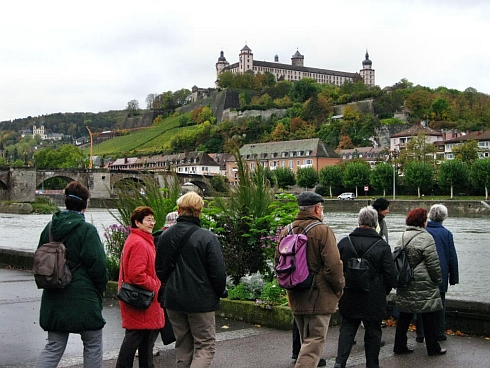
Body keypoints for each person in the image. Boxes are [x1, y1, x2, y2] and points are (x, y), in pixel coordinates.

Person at [35, 181, 109, 368]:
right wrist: (100, 290)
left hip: (54, 294)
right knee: (92, 344)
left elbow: (41, 259)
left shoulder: (50, 228)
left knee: (53, 347)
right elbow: (98, 266)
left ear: (65, 201)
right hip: (84, 298)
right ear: (85, 205)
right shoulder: (87, 230)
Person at [156, 191, 227, 368]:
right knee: (205, 345)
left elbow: (160, 269)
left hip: (173, 299)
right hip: (200, 300)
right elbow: (218, 272)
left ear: (179, 210)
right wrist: (220, 291)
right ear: (200, 211)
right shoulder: (207, 237)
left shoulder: (165, 236)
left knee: (183, 345)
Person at [275, 192, 344, 368]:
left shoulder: (287, 229)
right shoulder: (322, 230)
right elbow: (333, 265)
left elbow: (278, 261)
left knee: (306, 340)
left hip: (295, 293)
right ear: (317, 208)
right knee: (314, 342)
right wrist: (339, 288)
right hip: (318, 295)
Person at [334, 206, 397, 368]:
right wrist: (383, 290)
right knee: (373, 331)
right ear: (375, 223)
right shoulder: (382, 246)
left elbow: (335, 269)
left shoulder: (344, 242)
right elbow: (391, 275)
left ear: (359, 221)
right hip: (373, 295)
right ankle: (372, 364)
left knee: (347, 328)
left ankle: (340, 363)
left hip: (349, 293)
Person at [393, 208, 446, 356]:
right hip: (423, 283)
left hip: (405, 280)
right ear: (423, 221)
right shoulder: (426, 237)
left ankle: (399, 345)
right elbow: (433, 264)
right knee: (428, 316)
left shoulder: (402, 236)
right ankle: (433, 347)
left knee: (404, 315)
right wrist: (438, 280)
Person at [116, 206, 164, 368]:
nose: (152, 223)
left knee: (143, 340)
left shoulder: (139, 240)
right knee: (136, 339)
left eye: (153, 219)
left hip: (140, 298)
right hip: (142, 299)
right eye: (148, 220)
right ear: (137, 222)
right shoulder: (140, 243)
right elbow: (136, 274)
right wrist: (156, 286)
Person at [415, 204, 459, 342]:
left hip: (422, 274)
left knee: (422, 304)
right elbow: (452, 257)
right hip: (441, 274)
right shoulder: (446, 234)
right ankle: (439, 333)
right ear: (444, 217)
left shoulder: (422, 231)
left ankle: (420, 334)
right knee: (440, 304)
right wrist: (454, 278)